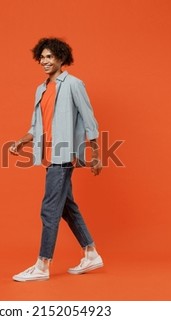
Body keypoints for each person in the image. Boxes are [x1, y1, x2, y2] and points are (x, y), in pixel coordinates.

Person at [9, 37, 103, 282]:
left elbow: (89, 119)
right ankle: (91, 253)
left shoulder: (73, 84)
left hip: (63, 155)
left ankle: (42, 265)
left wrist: (95, 155)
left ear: (61, 58)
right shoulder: (41, 89)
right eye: (42, 57)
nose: (45, 61)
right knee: (66, 208)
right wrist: (22, 140)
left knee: (49, 209)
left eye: (50, 56)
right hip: (49, 157)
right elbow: (35, 124)